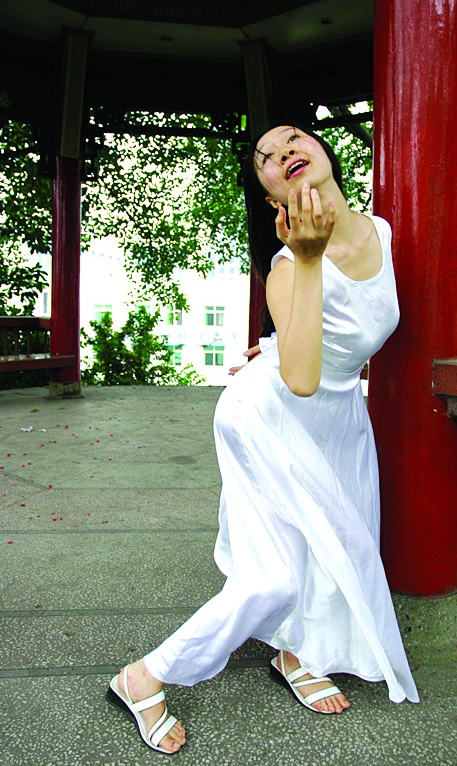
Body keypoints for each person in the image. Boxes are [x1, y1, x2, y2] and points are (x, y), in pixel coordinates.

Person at [106, 123, 419, 755]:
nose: (284, 154)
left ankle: (292, 653)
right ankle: (143, 676)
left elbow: (349, 336)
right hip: (269, 415)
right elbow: (299, 380)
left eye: (294, 139)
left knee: (331, 547)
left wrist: (278, 342)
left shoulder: (384, 233)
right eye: (267, 158)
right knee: (274, 576)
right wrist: (307, 261)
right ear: (273, 195)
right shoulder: (286, 267)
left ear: (324, 153)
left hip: (340, 420)